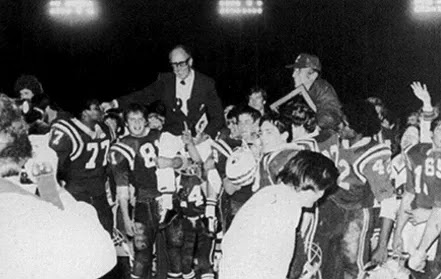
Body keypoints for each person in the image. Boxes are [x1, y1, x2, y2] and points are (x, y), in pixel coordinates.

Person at [0, 94, 116, 279]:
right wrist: (49, 185)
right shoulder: (63, 133)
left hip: (95, 192)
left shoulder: (103, 128)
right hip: (77, 194)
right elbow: (101, 256)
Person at [219, 150, 339, 279]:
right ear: (310, 183)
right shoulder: (285, 208)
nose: (322, 195)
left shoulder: (272, 193)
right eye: (323, 189)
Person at [315, 101, 396, 279]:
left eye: (345, 123)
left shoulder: (373, 153)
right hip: (329, 208)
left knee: (351, 267)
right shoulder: (334, 139)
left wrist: (382, 245)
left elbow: (389, 201)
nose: (339, 126)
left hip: (356, 213)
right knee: (322, 262)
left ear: (359, 128)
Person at [101, 45, 224, 139]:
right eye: (174, 65)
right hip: (173, 135)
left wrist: (205, 135)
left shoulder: (206, 83)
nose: (177, 69)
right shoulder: (165, 81)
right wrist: (114, 103)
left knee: (210, 168)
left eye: (181, 64)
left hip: (199, 135)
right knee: (164, 168)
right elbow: (143, 95)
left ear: (190, 62)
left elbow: (217, 116)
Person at [109, 103, 163, 279]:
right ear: (126, 123)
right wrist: (125, 217)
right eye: (132, 119)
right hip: (143, 202)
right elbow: (122, 188)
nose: (137, 123)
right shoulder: (122, 146)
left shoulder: (159, 136)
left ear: (146, 121)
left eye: (140, 118)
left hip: (169, 199)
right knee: (142, 255)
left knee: (171, 251)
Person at [48, 98, 114, 234]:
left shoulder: (105, 129)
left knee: (106, 232)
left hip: (99, 193)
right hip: (76, 194)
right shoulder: (67, 132)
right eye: (96, 108)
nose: (101, 111)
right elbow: (55, 166)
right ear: (84, 113)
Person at [286, 53, 342, 131]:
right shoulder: (300, 94)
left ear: (313, 75)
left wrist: (308, 123)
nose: (293, 75)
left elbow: (331, 117)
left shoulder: (322, 89)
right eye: (294, 71)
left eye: (298, 71)